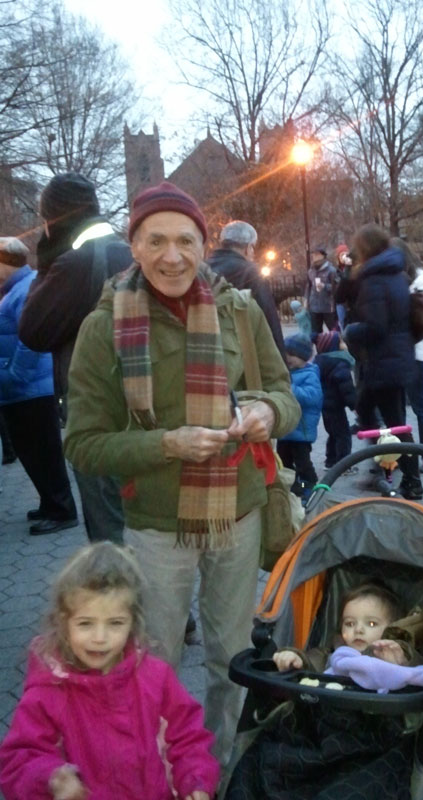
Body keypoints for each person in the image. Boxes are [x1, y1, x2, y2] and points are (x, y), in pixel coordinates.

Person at [63, 181, 300, 767]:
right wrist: (165, 444)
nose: (172, 255)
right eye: (156, 240)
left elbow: (285, 394)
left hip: (240, 513)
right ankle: (157, 770)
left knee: (233, 658)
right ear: (134, 247)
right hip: (156, 522)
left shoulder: (239, 309)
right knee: (155, 659)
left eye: (185, 240)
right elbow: (83, 444)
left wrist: (267, 412)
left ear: (203, 243)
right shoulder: (103, 327)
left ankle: (225, 769)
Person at [0, 541, 219, 800]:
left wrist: (195, 781)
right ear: (63, 622)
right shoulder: (48, 690)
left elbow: (188, 737)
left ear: (133, 623)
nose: (100, 637)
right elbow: (18, 759)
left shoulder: (155, 677)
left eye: (115, 623)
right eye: (85, 623)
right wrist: (51, 778)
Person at [19, 172, 131, 544]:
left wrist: (46, 261)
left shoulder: (74, 262)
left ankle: (121, 598)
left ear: (55, 216)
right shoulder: (126, 250)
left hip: (95, 409)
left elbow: (33, 330)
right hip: (141, 405)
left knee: (108, 528)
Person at [0, 237, 77, 535]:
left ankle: (62, 510)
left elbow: (31, 340)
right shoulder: (16, 288)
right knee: (32, 453)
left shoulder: (25, 289)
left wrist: (13, 375)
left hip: (30, 389)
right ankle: (50, 503)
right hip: (21, 390)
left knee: (43, 452)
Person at [344, 224, 423, 500]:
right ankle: (391, 470)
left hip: (384, 361)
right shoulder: (394, 273)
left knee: (384, 420)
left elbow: (376, 326)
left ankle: (402, 475)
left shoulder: (375, 279)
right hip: (395, 358)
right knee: (387, 420)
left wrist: (351, 331)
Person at [273, 581, 423, 672]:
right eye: (349, 623)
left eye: (371, 623)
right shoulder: (330, 655)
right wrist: (296, 659)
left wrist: (404, 661)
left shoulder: (397, 653)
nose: (358, 630)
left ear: (391, 627)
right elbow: (311, 662)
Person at [207, 219, 285, 358]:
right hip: (244, 350)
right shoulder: (250, 271)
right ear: (248, 248)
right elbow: (268, 317)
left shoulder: (204, 269)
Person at [396, 240, 423, 473]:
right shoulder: (402, 278)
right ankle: (399, 455)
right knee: (400, 408)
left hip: (416, 353)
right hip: (400, 353)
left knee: (421, 406)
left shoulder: (422, 279)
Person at [276, 333, 322, 501]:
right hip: (285, 430)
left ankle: (310, 486)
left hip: (301, 432)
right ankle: (295, 488)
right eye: (286, 354)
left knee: (303, 464)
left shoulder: (310, 374)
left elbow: (313, 397)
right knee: (285, 463)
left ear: (303, 357)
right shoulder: (287, 372)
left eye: (293, 355)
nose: (288, 358)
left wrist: (291, 388)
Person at [314, 330, 356, 473]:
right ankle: (343, 465)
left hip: (325, 405)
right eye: (341, 342)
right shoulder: (339, 363)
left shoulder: (320, 361)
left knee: (333, 433)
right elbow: (347, 388)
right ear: (334, 346)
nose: (345, 344)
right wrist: (354, 405)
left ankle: (330, 461)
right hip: (336, 406)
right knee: (343, 434)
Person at [305, 247, 338, 334]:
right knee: (315, 333)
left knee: (334, 331)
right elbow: (308, 286)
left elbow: (337, 287)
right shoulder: (311, 271)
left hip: (328, 307)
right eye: (313, 255)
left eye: (316, 254)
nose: (314, 256)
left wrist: (325, 286)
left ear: (323, 256)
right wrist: (306, 300)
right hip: (314, 307)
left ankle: (337, 346)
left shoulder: (331, 270)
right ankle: (320, 347)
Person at [334, 243, 352, 328]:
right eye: (342, 255)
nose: (344, 256)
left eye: (345, 254)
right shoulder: (336, 271)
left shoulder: (351, 267)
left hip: (349, 300)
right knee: (342, 321)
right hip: (340, 302)